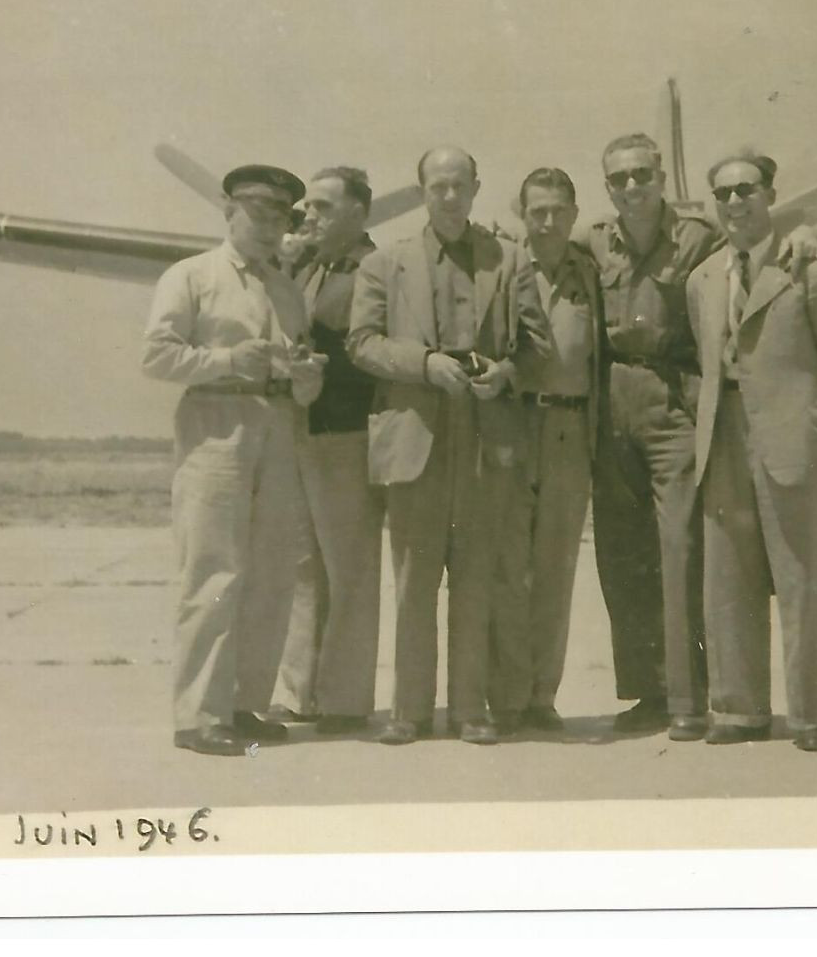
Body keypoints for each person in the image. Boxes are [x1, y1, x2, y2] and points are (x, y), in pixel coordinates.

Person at [347, 145, 549, 746]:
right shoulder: (385, 263)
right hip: (416, 441)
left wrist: (505, 373)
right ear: (422, 192)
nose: (450, 196)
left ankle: (469, 711)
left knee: (476, 579)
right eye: (438, 186)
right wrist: (425, 363)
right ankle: (408, 711)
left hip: (487, 443)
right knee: (413, 581)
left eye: (460, 185)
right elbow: (360, 342)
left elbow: (537, 349)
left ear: (477, 186)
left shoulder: (510, 261)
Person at [141, 164, 324, 757]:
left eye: (282, 217)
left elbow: (304, 374)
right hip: (216, 427)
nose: (272, 227)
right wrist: (227, 361)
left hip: (279, 429)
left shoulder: (288, 289)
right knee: (214, 572)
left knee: (272, 573)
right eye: (259, 213)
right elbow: (158, 356)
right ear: (229, 212)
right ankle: (198, 715)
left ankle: (244, 705)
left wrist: (306, 377)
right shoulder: (191, 276)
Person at [687, 149, 817, 752]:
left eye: (747, 190)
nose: (735, 202)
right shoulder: (703, 281)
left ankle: (809, 716)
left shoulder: (806, 267)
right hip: (724, 434)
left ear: (769, 195)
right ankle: (738, 710)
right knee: (727, 578)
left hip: (793, 438)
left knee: (800, 579)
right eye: (724, 194)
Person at [585, 132, 721, 740]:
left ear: (662, 176)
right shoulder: (590, 243)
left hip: (671, 400)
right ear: (607, 186)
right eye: (619, 179)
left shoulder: (699, 237)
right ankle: (647, 691)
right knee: (622, 554)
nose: (632, 187)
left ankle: (691, 696)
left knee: (681, 548)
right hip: (611, 402)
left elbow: (751, 255)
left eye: (642, 174)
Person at [268, 167, 387, 736]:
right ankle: (298, 693)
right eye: (307, 207)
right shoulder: (306, 263)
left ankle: (344, 699)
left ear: (359, 213)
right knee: (302, 567)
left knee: (350, 570)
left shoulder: (378, 268)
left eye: (321, 207)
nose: (307, 216)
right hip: (303, 430)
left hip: (348, 433)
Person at [491, 167, 604, 733]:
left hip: (569, 430)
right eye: (538, 211)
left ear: (576, 213)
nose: (549, 221)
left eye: (560, 209)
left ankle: (541, 695)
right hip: (515, 425)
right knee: (510, 566)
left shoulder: (592, 272)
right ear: (522, 214)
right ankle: (506, 696)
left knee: (556, 567)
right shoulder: (504, 268)